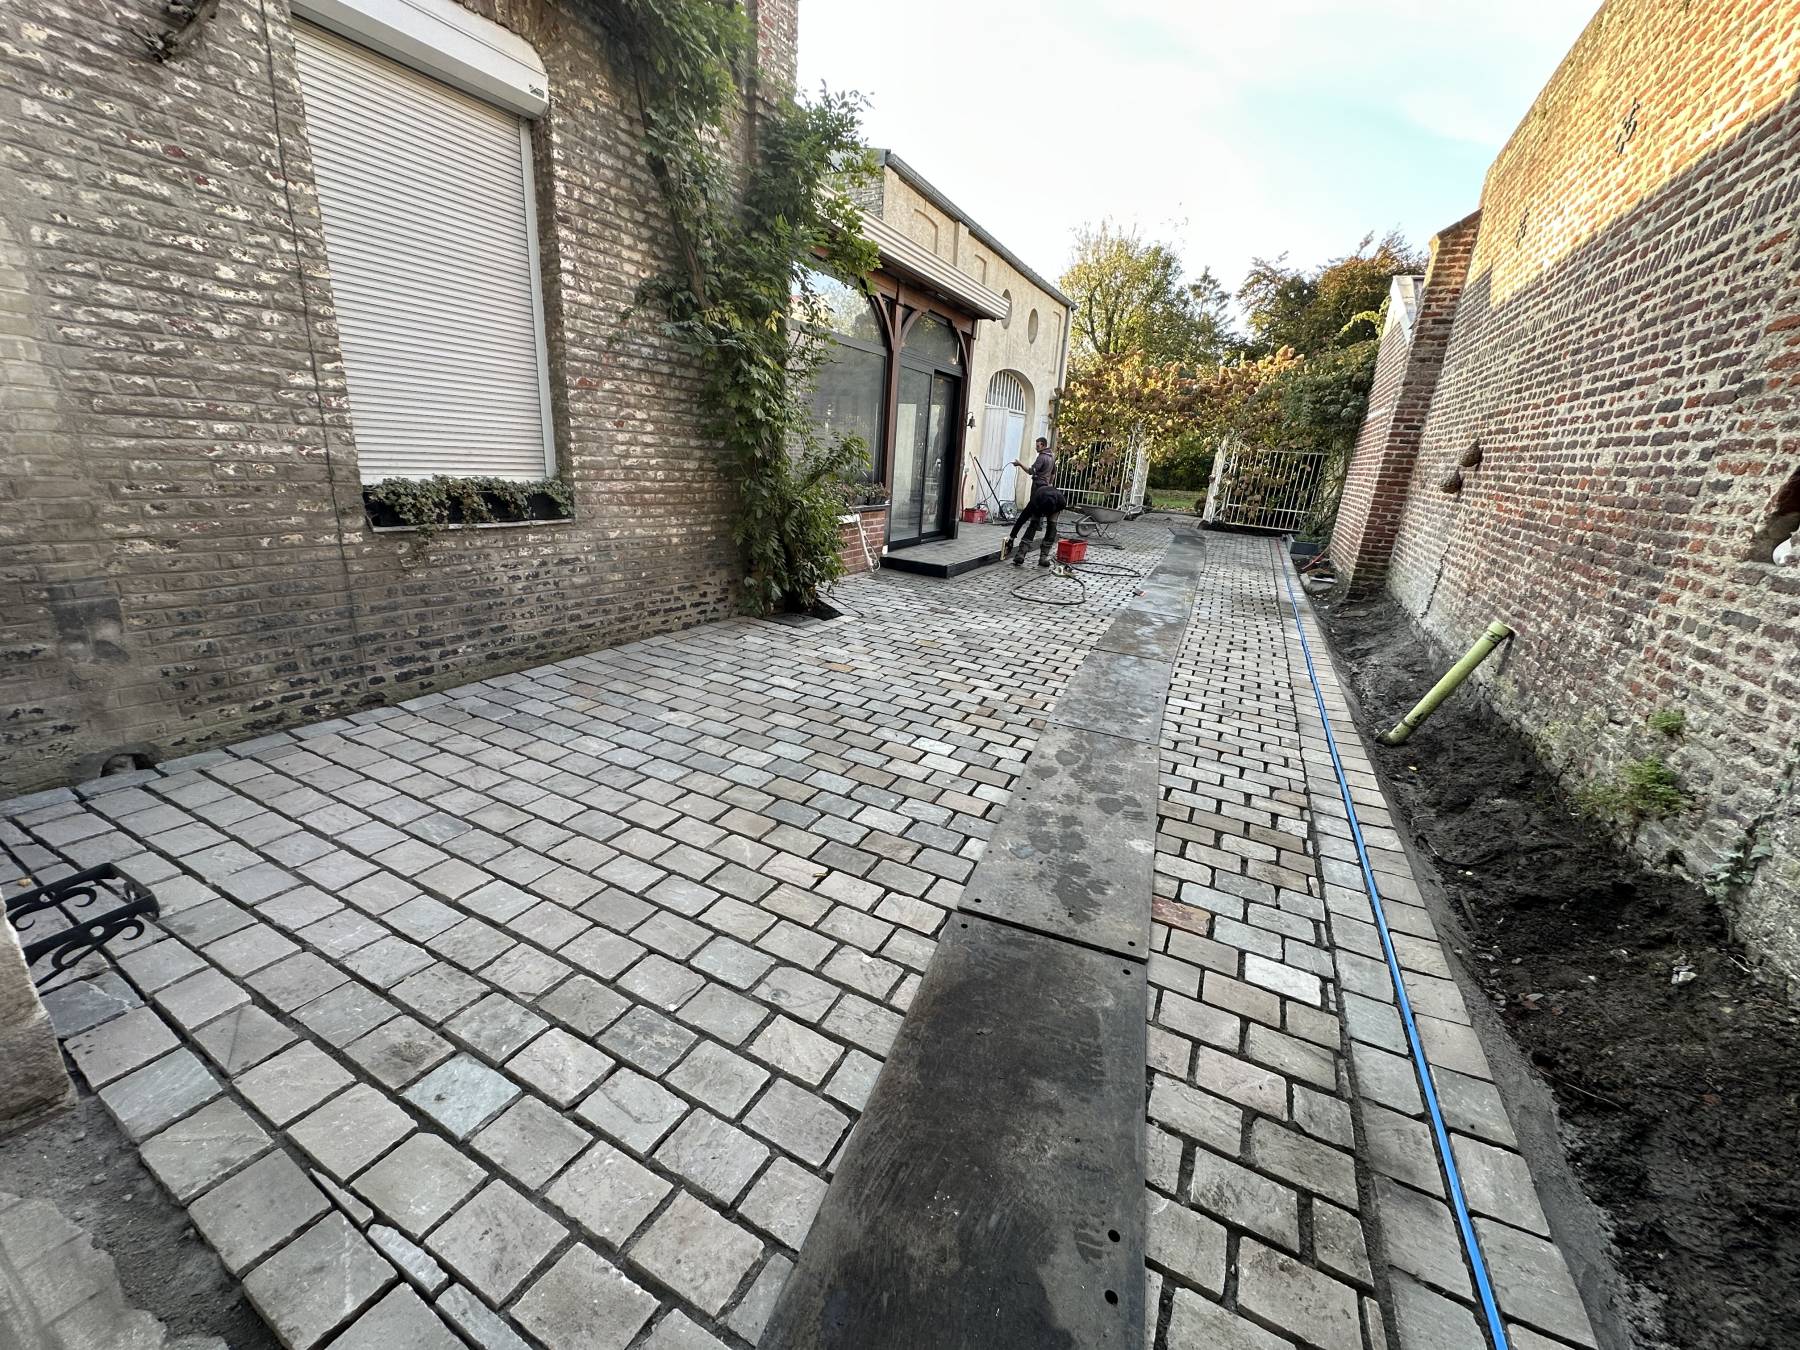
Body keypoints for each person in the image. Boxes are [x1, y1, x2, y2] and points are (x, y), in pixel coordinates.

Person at [1001, 437, 1065, 568]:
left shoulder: (1059, 502)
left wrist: (1019, 464)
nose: (1036, 447)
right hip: (1044, 492)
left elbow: (1032, 471)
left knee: (1039, 525)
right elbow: (1053, 474)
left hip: (1041, 490)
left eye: (1038, 445)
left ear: (1043, 445)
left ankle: (1029, 555)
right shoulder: (1052, 456)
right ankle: (1026, 555)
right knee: (1047, 527)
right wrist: (1011, 538)